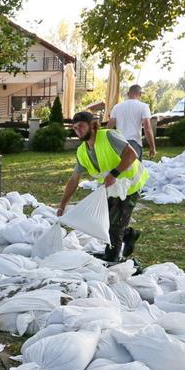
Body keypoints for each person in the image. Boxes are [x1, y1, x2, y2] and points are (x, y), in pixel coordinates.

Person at [57, 111, 149, 262]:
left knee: (115, 227)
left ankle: (112, 259)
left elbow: (131, 154)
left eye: (81, 126)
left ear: (93, 126)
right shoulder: (82, 151)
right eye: (75, 128)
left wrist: (114, 173)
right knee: (105, 222)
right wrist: (62, 205)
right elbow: (74, 179)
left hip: (130, 185)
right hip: (112, 188)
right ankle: (129, 235)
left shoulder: (108, 136)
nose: (78, 131)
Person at [107, 84, 156, 159]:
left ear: (127, 93)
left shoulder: (116, 107)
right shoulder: (144, 107)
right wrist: (152, 147)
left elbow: (109, 128)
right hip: (134, 144)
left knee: (120, 169)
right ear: (140, 94)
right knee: (135, 170)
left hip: (118, 143)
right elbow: (148, 129)